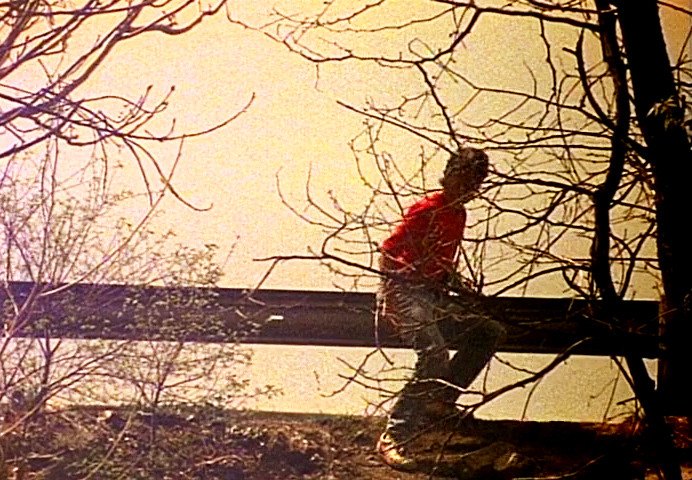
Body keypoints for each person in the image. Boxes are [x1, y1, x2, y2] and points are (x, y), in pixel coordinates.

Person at [376, 147, 505, 470]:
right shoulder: (427, 209)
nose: (467, 188)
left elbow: (442, 262)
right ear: (448, 176)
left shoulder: (459, 215)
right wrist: (389, 298)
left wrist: (461, 287)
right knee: (434, 354)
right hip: (405, 290)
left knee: (488, 331)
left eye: (473, 183)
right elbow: (389, 250)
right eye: (462, 179)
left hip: (434, 294)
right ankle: (396, 434)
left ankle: (440, 400)